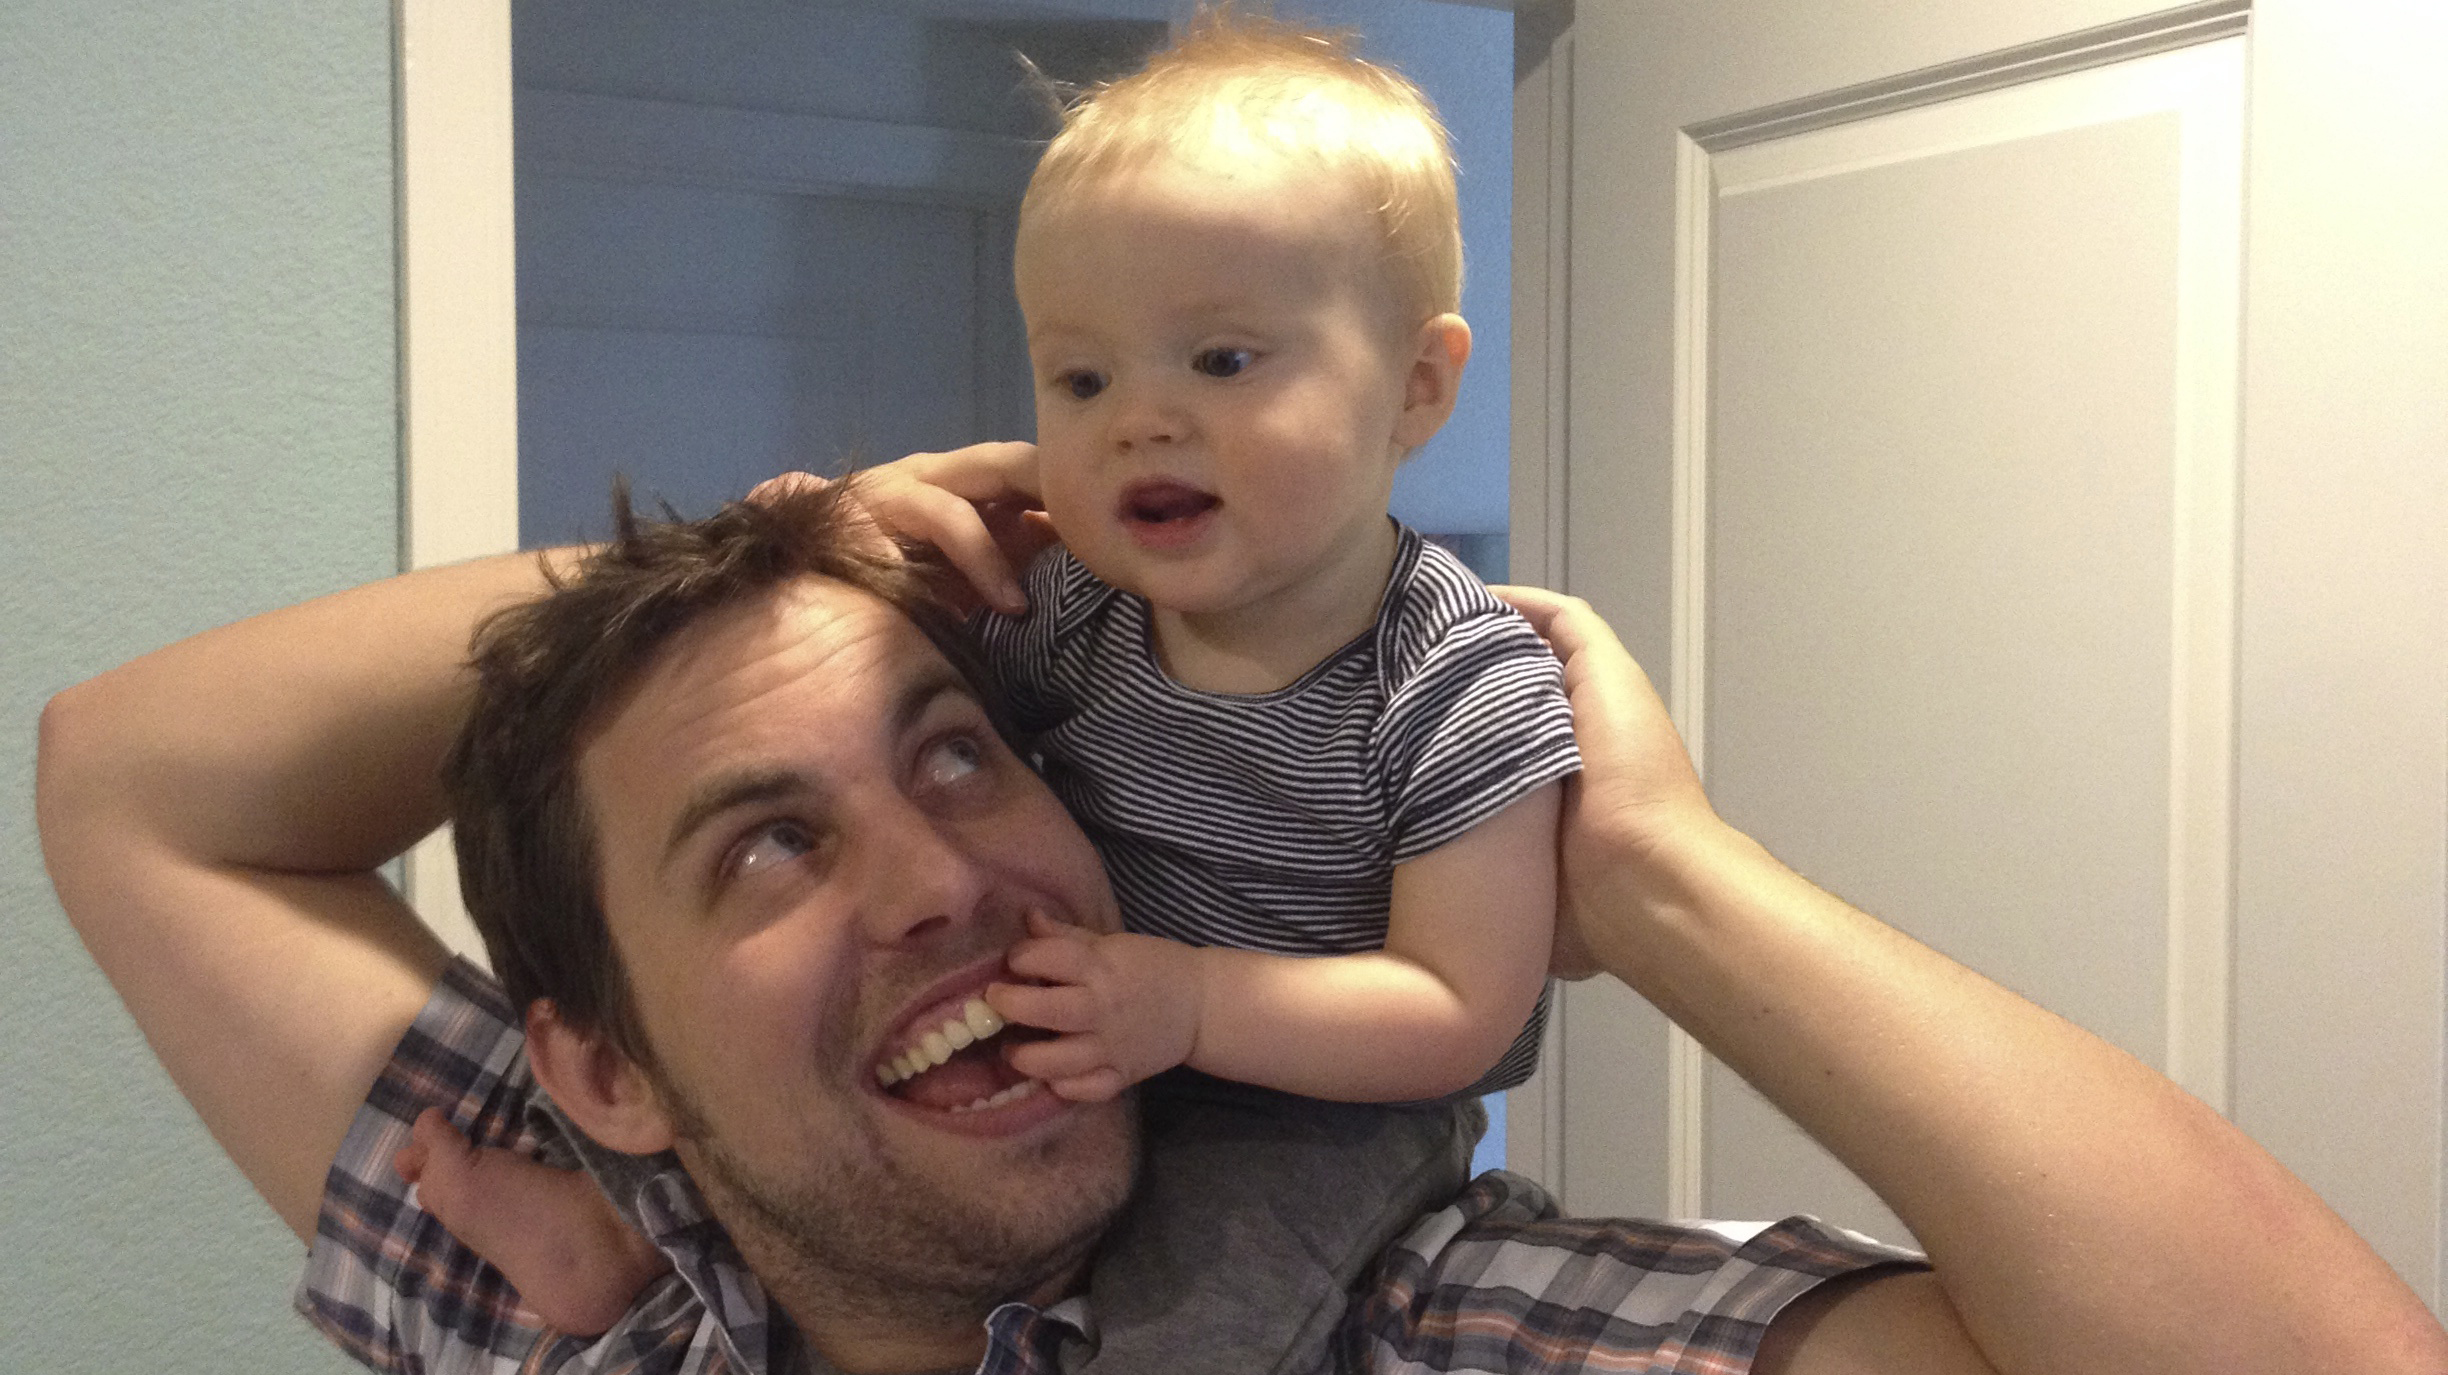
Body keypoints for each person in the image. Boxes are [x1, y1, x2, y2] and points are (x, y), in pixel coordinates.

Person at [36, 472, 2448, 1374]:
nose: (943, 875)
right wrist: (810, 535)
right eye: (766, 845)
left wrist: (1662, 883)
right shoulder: (559, 1307)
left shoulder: (1433, 1322)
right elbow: (128, 782)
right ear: (603, 1066)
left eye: (957, 751)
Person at [403, 12, 1579, 1351]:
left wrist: (1188, 1006)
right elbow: (863, 716)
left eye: (1222, 361)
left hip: (1311, 1113)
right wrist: (812, 541)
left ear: (1416, 386)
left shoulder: (1458, 681)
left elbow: (1458, 1015)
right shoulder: (1077, 611)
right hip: (1095, 1021)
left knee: (1191, 1325)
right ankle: (612, 1236)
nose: (1139, 419)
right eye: (1081, 377)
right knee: (732, 1082)